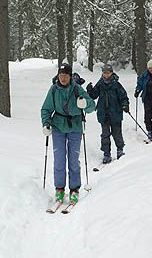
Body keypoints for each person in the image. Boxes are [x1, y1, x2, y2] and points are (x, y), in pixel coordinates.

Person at [41, 63, 96, 204]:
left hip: (75, 127)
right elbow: (46, 109)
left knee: (73, 160)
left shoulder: (77, 89)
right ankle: (59, 189)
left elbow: (91, 106)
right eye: (61, 75)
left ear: (70, 76)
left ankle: (74, 189)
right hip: (58, 126)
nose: (63, 78)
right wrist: (46, 124)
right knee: (59, 159)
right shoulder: (54, 90)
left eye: (65, 75)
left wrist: (85, 104)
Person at [86, 64, 129, 164]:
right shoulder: (100, 84)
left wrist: (125, 105)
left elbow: (123, 96)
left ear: (111, 73)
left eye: (108, 72)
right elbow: (93, 96)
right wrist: (90, 90)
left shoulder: (116, 85)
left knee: (117, 133)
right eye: (104, 73)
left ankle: (120, 149)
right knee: (105, 134)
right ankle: (106, 153)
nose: (106, 75)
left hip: (115, 113)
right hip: (103, 113)